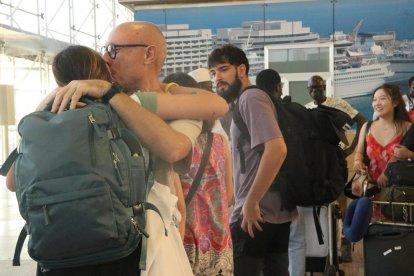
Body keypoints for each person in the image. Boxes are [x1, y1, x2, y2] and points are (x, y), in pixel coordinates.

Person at [26, 22, 228, 276]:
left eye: (114, 49)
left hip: (67, 240)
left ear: (149, 53)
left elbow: (187, 136)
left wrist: (169, 89)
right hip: (129, 243)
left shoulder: (138, 101)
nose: (106, 58)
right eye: (105, 51)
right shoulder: (116, 100)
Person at [208, 44, 297, 276]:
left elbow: (277, 149)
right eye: (213, 73)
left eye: (223, 69)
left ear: (241, 70)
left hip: (255, 214)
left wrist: (250, 201)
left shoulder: (251, 98)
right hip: (271, 211)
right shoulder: (252, 99)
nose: (217, 78)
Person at [304, 74, 367, 264]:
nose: (316, 90)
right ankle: (323, 247)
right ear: (309, 90)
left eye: (320, 87)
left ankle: (345, 247)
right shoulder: (307, 109)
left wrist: (352, 148)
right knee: (321, 203)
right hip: (318, 163)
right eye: (313, 88)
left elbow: (363, 121)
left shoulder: (338, 103)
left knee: (342, 204)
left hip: (337, 160)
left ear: (325, 87)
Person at [353, 83, 411, 221]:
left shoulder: (408, 128)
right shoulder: (367, 127)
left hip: (400, 195)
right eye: (374, 99)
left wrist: (408, 155)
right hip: (372, 194)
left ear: (395, 102)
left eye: (382, 98)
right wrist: (357, 162)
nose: (377, 103)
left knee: (401, 237)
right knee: (376, 237)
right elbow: (359, 152)